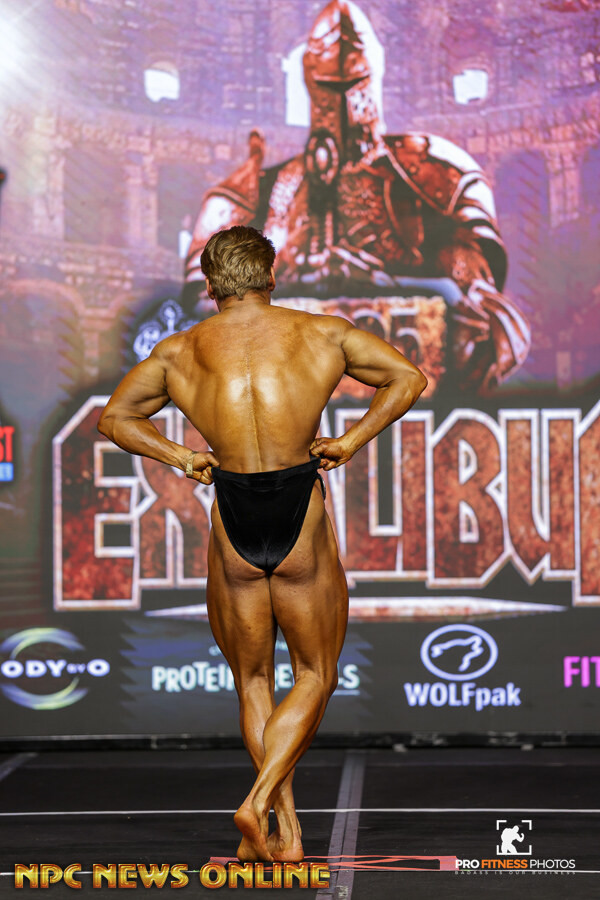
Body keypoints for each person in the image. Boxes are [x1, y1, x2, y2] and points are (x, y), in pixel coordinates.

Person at [98, 225, 427, 862]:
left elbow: (115, 417)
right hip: (298, 502)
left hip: (232, 508)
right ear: (271, 276)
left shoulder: (179, 351)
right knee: (315, 673)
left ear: (210, 284)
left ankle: (286, 833)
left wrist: (181, 456)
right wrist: (348, 442)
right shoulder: (322, 333)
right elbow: (407, 379)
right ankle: (258, 804)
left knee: (252, 679)